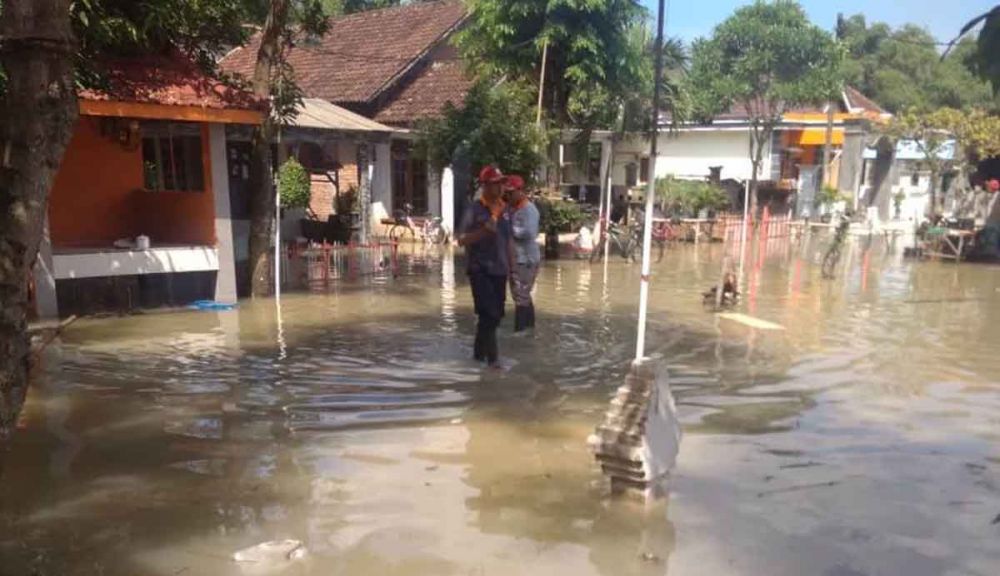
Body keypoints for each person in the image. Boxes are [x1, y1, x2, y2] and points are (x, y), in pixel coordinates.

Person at [458, 165, 511, 367]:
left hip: (500, 270)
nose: (500, 187)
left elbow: (508, 241)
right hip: (480, 270)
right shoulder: (474, 209)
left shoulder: (505, 210)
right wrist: (483, 232)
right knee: (489, 314)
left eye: (501, 183)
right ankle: (494, 362)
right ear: (485, 186)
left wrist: (513, 268)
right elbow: (461, 240)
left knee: (494, 317)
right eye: (495, 184)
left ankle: (478, 356)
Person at [504, 175, 540, 331]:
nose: (508, 196)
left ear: (520, 191)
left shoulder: (529, 210)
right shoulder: (515, 208)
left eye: (511, 193)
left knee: (520, 297)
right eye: (507, 193)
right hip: (520, 258)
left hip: (526, 260)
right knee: (523, 296)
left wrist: (509, 230)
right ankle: (529, 329)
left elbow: (530, 232)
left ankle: (521, 332)